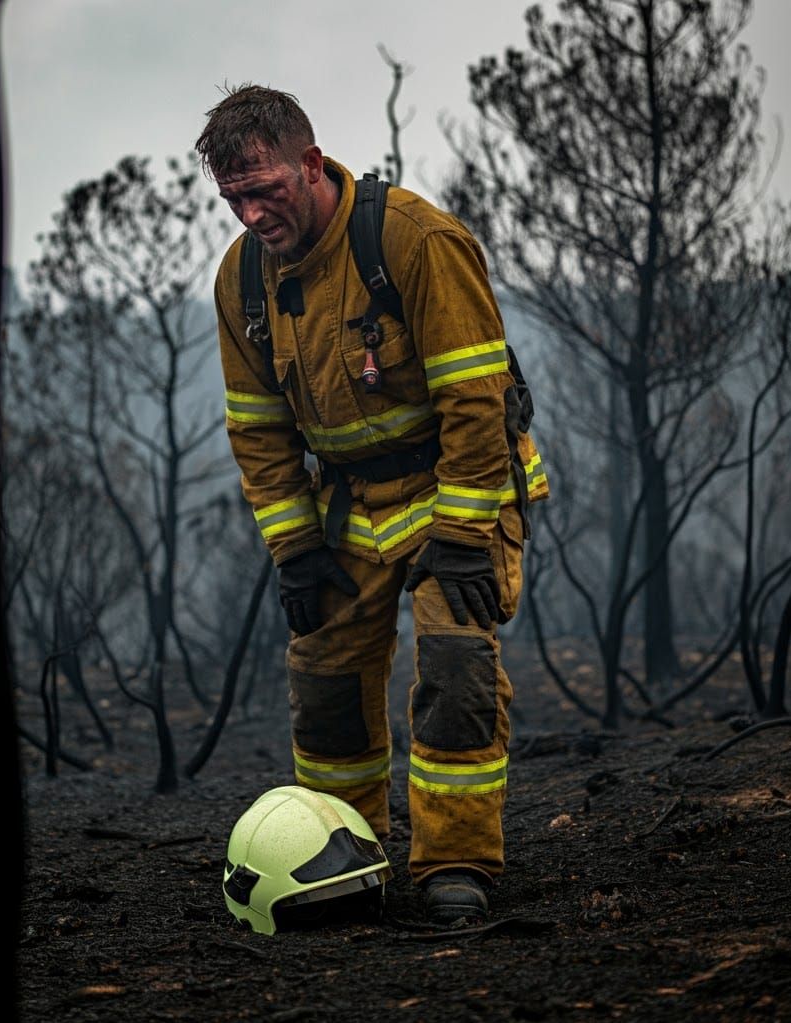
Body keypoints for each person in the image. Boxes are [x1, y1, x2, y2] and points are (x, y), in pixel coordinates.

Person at [195, 85, 548, 926]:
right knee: (323, 687)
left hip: (457, 487)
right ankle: (342, 858)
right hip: (348, 507)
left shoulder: (414, 241)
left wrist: (463, 536)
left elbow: (475, 400)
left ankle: (455, 865)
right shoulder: (242, 280)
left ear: (311, 165)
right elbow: (259, 430)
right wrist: (294, 550)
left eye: (264, 188)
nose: (250, 214)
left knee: (457, 672)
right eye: (233, 198)